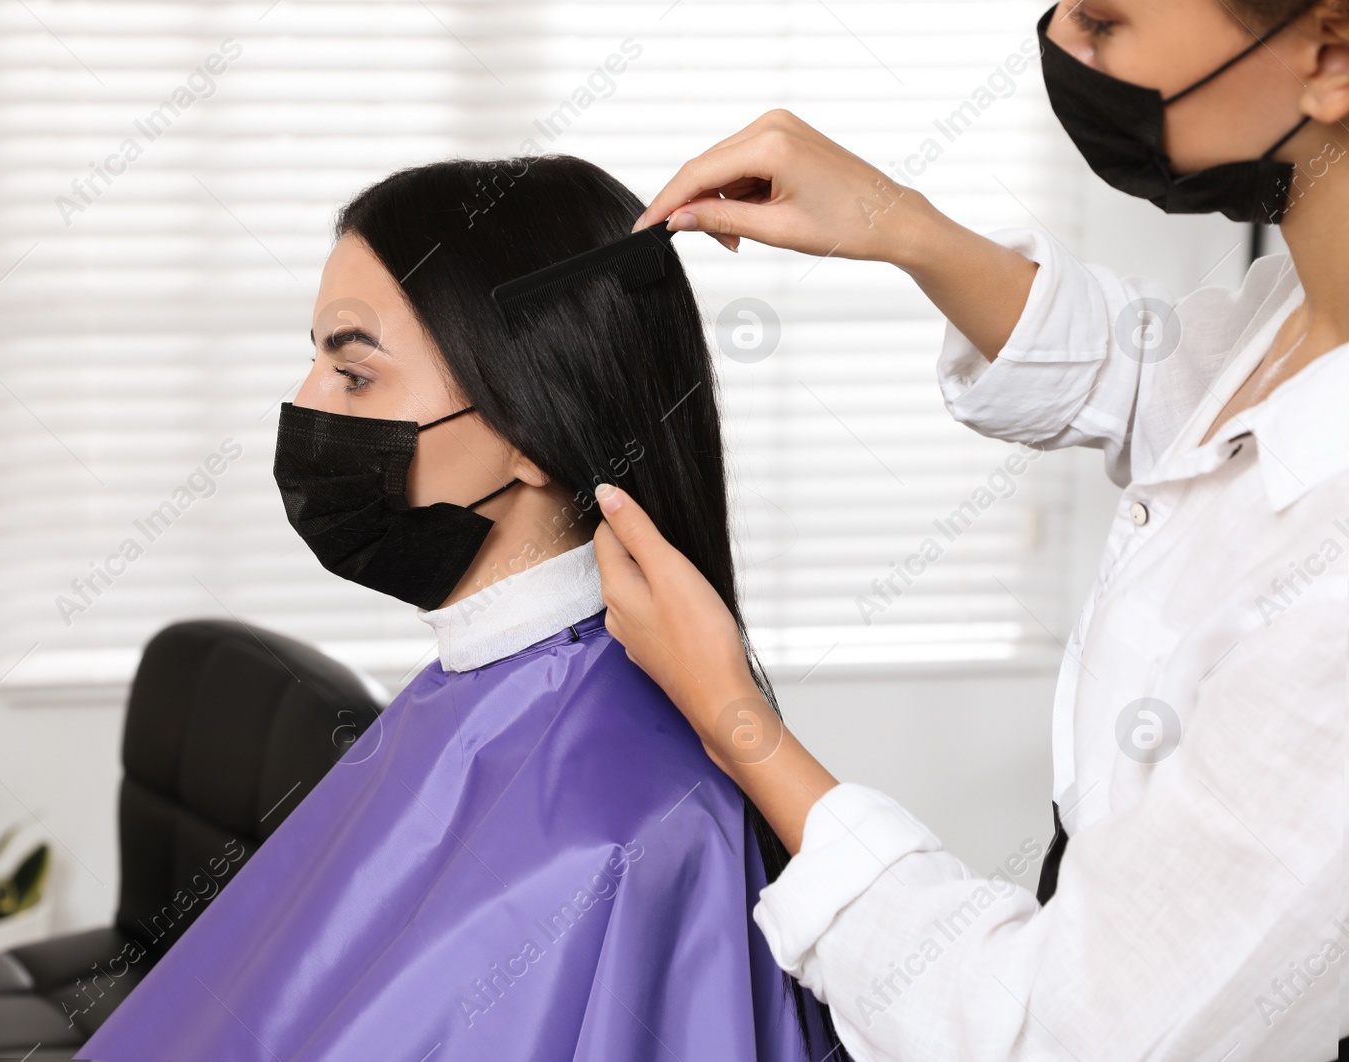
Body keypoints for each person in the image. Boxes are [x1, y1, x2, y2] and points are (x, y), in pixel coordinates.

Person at [590, 1, 1348, 1060]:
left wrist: (734, 721)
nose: (1064, 46)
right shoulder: (1299, 314)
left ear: (1327, 54)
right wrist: (895, 222)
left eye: (1102, 18)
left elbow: (1055, 1039)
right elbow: (1149, 375)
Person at [77, 156, 839, 1061]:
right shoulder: (482, 682)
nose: (304, 404)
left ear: (529, 424)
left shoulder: (617, 839)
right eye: (313, 362)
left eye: (354, 374)